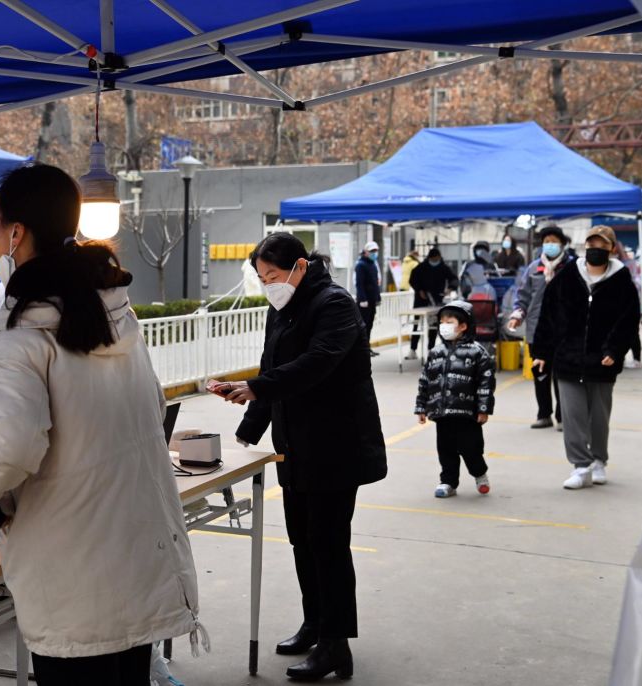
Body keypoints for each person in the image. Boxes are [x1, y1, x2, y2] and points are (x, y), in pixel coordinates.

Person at [0, 165, 203, 685]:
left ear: (16, 233)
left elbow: (5, 450)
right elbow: (145, 407)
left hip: (77, 576)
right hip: (136, 556)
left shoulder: (22, 336)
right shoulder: (111, 311)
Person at [208, 232, 387, 681]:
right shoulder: (281, 309)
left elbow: (317, 363)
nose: (269, 285)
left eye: (273, 275)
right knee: (302, 541)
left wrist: (260, 387)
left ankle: (336, 645)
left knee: (328, 544)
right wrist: (249, 428)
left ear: (300, 267)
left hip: (336, 446)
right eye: (262, 278)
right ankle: (314, 623)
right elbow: (273, 371)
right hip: (296, 447)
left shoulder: (335, 305)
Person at [532, 225, 641, 490]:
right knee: (572, 416)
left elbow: (628, 321)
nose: (596, 249)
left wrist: (614, 351)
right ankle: (581, 467)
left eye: (602, 245)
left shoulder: (622, 280)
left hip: (602, 361)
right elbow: (549, 313)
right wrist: (543, 352)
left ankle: (599, 460)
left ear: (612, 249)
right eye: (592, 243)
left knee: (599, 417)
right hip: (567, 358)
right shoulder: (568, 275)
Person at [414, 301, 495, 498]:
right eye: (441, 322)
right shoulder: (435, 353)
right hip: (442, 413)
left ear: (463, 325)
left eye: (449, 322)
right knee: (446, 449)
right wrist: (421, 406)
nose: (444, 326)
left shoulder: (478, 353)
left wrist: (484, 409)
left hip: (467, 413)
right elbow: (425, 380)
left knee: (471, 448)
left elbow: (486, 384)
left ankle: (479, 473)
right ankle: (448, 481)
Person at [508, 225, 573, 429]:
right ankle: (544, 414)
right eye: (546, 241)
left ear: (562, 244)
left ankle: (563, 417)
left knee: (562, 375)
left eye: (554, 241)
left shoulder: (571, 267)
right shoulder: (534, 268)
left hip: (564, 331)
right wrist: (517, 315)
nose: (550, 245)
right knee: (541, 374)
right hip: (537, 330)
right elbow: (523, 296)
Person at [408, 247, 458, 356]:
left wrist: (450, 288)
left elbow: (454, 279)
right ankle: (413, 349)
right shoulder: (421, 267)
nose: (435, 261)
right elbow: (412, 280)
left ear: (439, 258)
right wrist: (419, 290)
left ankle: (431, 348)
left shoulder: (443, 268)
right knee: (417, 324)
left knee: (434, 325)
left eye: (437, 259)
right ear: (429, 258)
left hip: (436, 299)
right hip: (421, 299)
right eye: (433, 259)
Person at [355, 240, 382, 356]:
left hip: (372, 300)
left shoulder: (373, 264)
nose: (374, 253)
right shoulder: (360, 265)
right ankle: (362, 349)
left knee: (370, 325)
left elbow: (376, 284)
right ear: (365, 252)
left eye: (376, 251)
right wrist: (362, 299)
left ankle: (367, 347)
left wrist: (378, 297)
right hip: (364, 301)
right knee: (364, 326)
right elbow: (359, 284)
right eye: (372, 251)